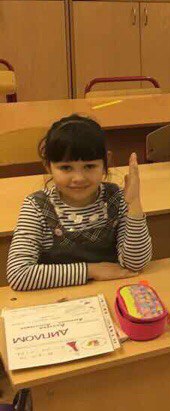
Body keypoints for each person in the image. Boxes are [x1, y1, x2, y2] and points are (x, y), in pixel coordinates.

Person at [6, 115, 151, 291]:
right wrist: (91, 270)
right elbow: (18, 275)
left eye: (89, 166)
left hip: (110, 292)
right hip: (58, 300)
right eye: (66, 168)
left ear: (105, 163)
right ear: (48, 166)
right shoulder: (37, 207)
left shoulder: (116, 198)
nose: (79, 178)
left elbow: (135, 264)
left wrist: (134, 203)